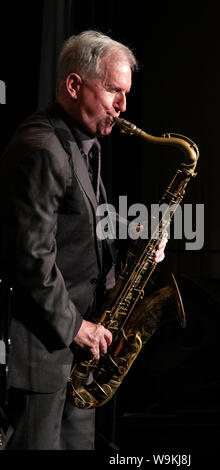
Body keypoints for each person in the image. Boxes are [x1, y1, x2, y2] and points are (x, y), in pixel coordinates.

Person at [0, 30, 166, 450]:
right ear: (74, 86)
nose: (123, 107)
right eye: (113, 90)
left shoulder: (83, 140)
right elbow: (30, 257)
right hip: (44, 352)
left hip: (77, 350)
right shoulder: (42, 147)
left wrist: (137, 237)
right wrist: (78, 328)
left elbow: (85, 220)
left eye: (125, 93)